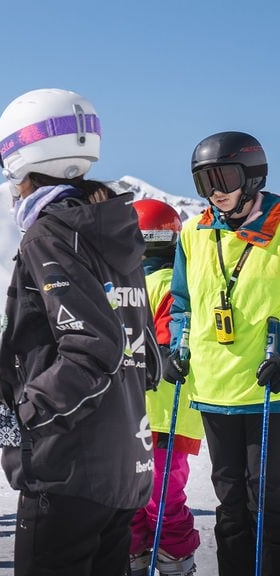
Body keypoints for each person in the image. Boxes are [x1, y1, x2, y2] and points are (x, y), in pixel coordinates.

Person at [0, 88, 157, 576]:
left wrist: (21, 414)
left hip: (67, 466)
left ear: (19, 155)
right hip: (122, 461)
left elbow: (92, 347)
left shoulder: (51, 232)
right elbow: (143, 351)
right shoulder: (111, 226)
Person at [165, 130, 280, 575]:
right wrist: (178, 347)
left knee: (267, 500)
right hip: (215, 388)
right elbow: (183, 303)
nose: (215, 191)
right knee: (230, 501)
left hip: (268, 388)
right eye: (204, 181)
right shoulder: (193, 232)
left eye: (224, 178)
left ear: (252, 176)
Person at [127, 199, 202, 576]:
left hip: (157, 414)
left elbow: (169, 341)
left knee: (154, 497)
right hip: (153, 411)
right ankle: (143, 554)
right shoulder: (135, 285)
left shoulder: (165, 285)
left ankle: (163, 557)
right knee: (148, 497)